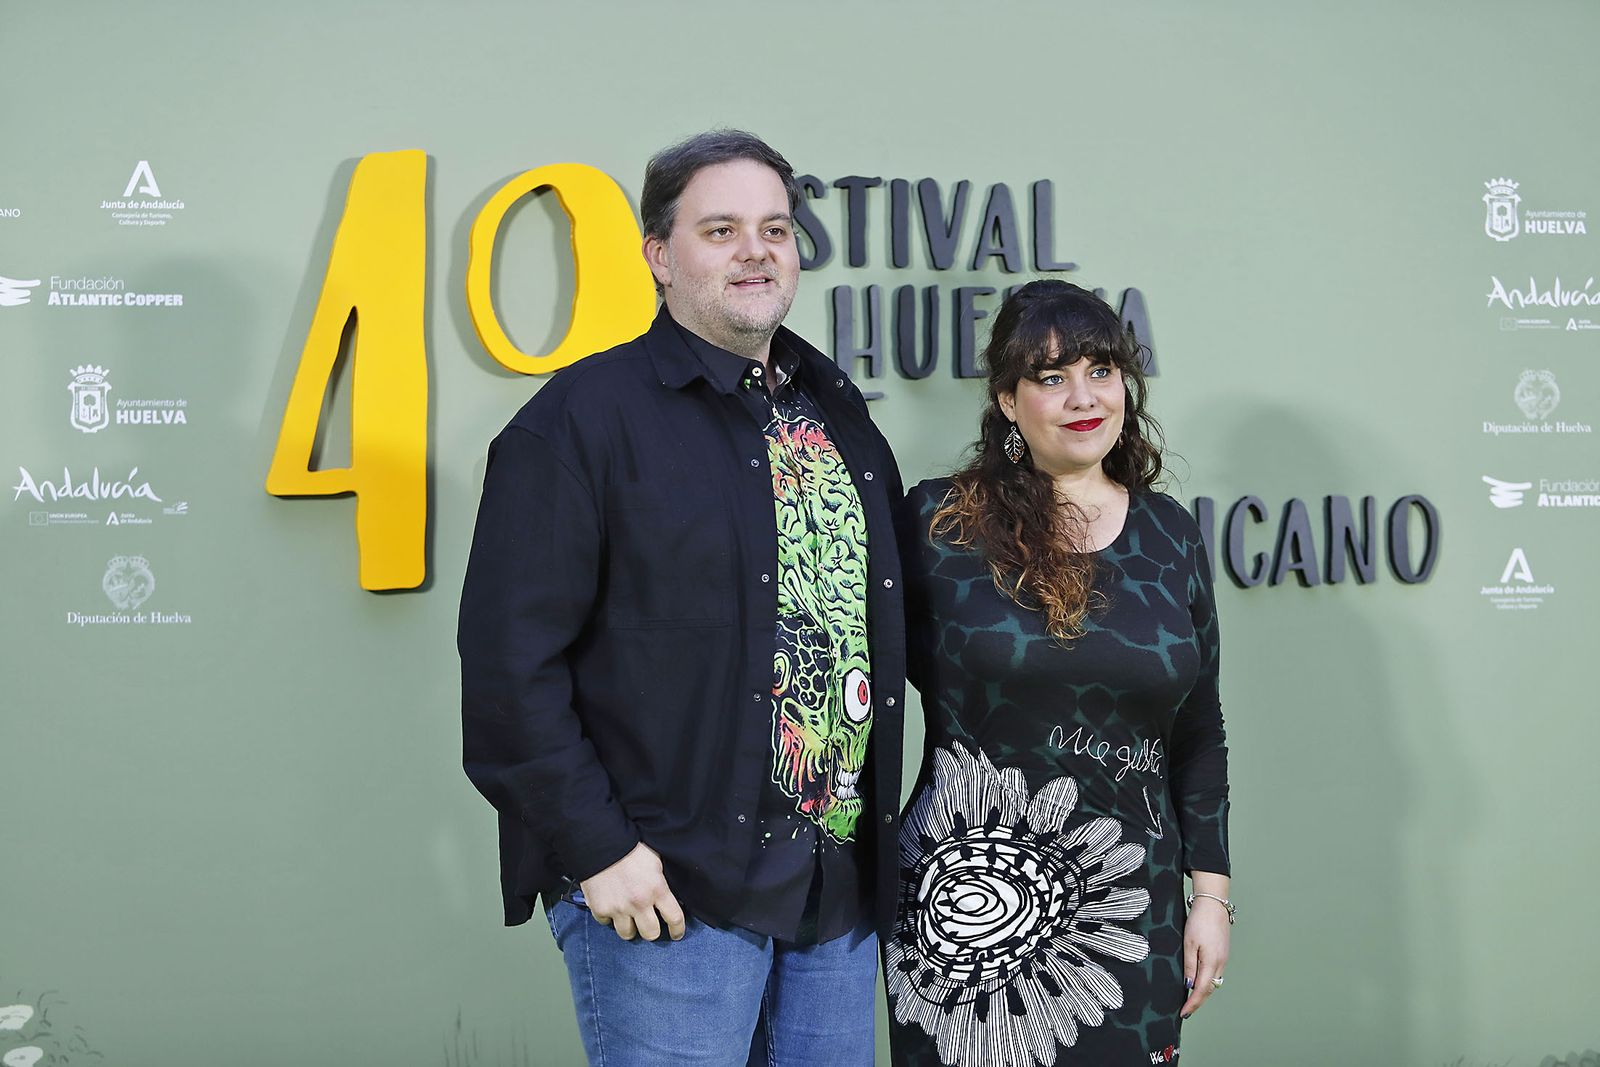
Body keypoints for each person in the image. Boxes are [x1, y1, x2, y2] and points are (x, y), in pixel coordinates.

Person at [457, 129, 906, 1066]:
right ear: (659, 256)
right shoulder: (578, 421)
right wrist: (598, 852)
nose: (757, 250)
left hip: (836, 893)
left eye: (776, 228)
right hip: (668, 893)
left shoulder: (838, 413)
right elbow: (508, 670)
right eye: (721, 229)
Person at [886, 280, 1232, 1067]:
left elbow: (1200, 734)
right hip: (961, 915)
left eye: (1101, 370)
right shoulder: (937, 525)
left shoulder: (1170, 533)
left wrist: (1208, 897)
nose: (1083, 397)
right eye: (1050, 377)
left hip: (1133, 905)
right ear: (1007, 400)